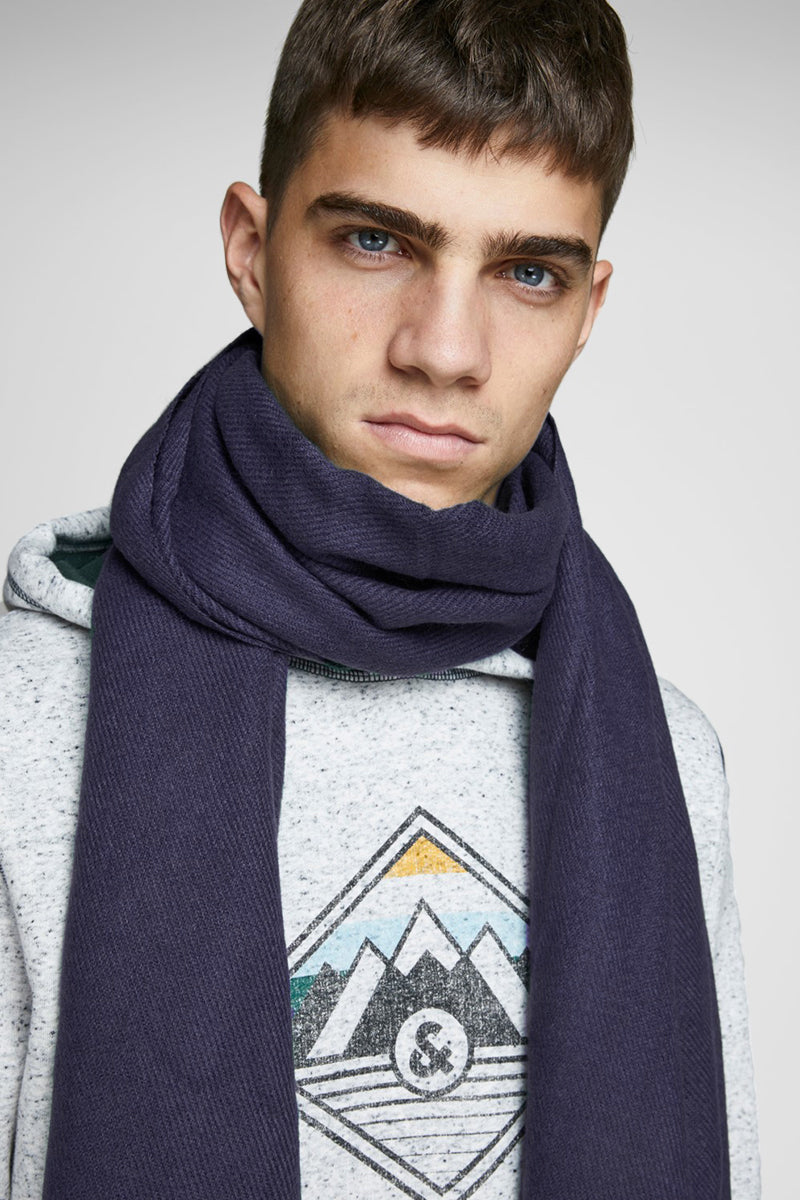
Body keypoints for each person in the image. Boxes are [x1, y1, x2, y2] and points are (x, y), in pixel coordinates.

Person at [0, 0, 759, 1197]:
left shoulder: (668, 756)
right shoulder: (22, 721)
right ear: (251, 252)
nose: (443, 350)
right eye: (375, 242)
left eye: (526, 272)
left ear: (588, 311)